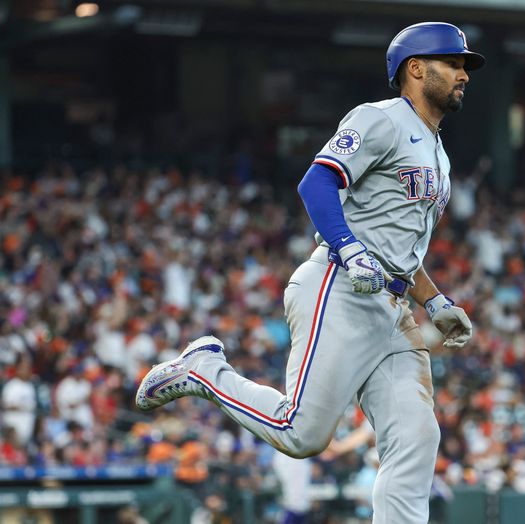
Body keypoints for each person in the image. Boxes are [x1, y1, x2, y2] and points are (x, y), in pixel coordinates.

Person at [136, 21, 482, 523]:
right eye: (454, 63)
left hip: (393, 307)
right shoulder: (379, 118)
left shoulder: (438, 151)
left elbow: (398, 243)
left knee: (417, 435)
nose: (463, 74)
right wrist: (347, 248)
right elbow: (316, 184)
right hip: (339, 288)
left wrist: (434, 300)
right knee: (301, 433)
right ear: (415, 68)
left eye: (465, 66)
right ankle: (204, 371)